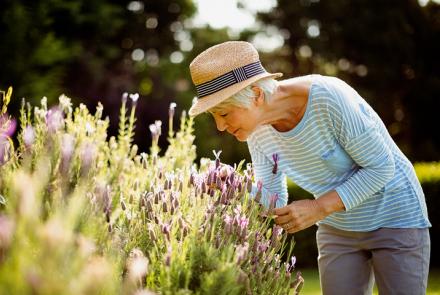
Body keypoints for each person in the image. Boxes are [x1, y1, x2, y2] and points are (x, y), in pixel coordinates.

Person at [187, 41, 431, 295]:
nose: (219, 127)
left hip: (395, 217)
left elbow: (381, 167)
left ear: (257, 94)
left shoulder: (328, 98)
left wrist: (318, 208)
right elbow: (274, 199)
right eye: (214, 117)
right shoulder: (257, 134)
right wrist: (234, 187)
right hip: (339, 230)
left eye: (224, 114)